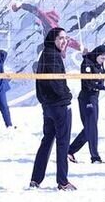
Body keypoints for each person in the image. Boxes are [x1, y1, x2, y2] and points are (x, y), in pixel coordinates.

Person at [30, 26, 76, 190]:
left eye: (66, 38)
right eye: (61, 38)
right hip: (59, 106)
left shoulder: (46, 53)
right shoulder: (53, 56)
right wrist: (67, 96)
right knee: (62, 143)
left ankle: (36, 179)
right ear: (53, 39)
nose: (64, 41)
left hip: (48, 106)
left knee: (47, 141)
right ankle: (63, 181)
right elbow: (55, 83)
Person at [69, 44, 105, 164]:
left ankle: (70, 151)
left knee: (89, 129)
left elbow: (100, 76)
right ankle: (95, 157)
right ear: (97, 55)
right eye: (102, 58)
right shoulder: (87, 63)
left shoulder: (99, 64)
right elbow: (88, 83)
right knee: (91, 128)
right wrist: (102, 87)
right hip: (87, 98)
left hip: (94, 98)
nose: (104, 61)